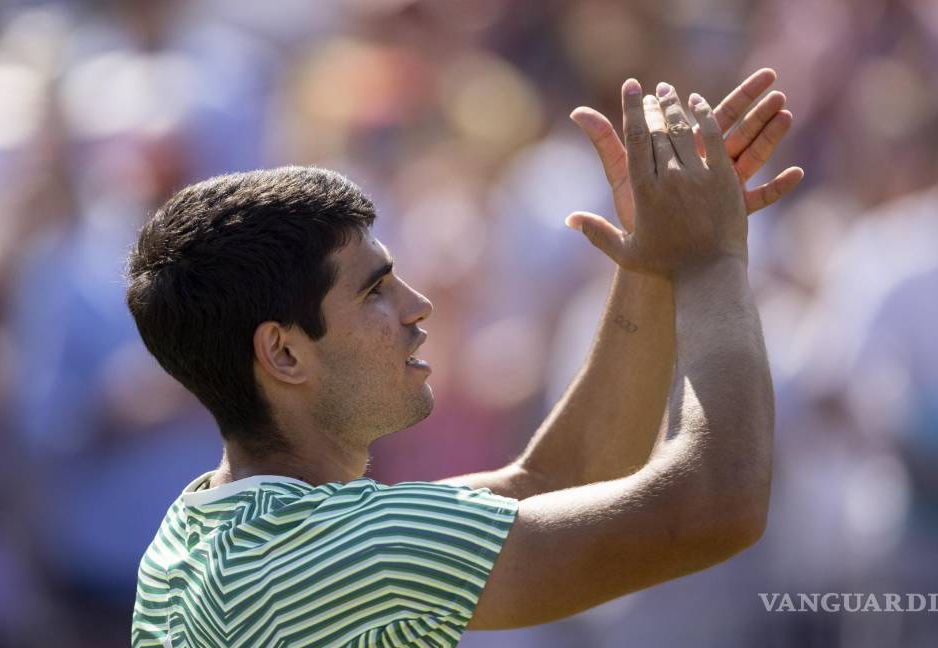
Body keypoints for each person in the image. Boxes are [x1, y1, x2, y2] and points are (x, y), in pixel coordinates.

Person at [126, 70, 803, 647]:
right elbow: (717, 505)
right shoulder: (348, 552)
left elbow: (550, 483)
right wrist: (711, 258)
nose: (417, 305)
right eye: (373, 292)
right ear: (283, 352)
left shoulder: (189, 536)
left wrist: (654, 263)